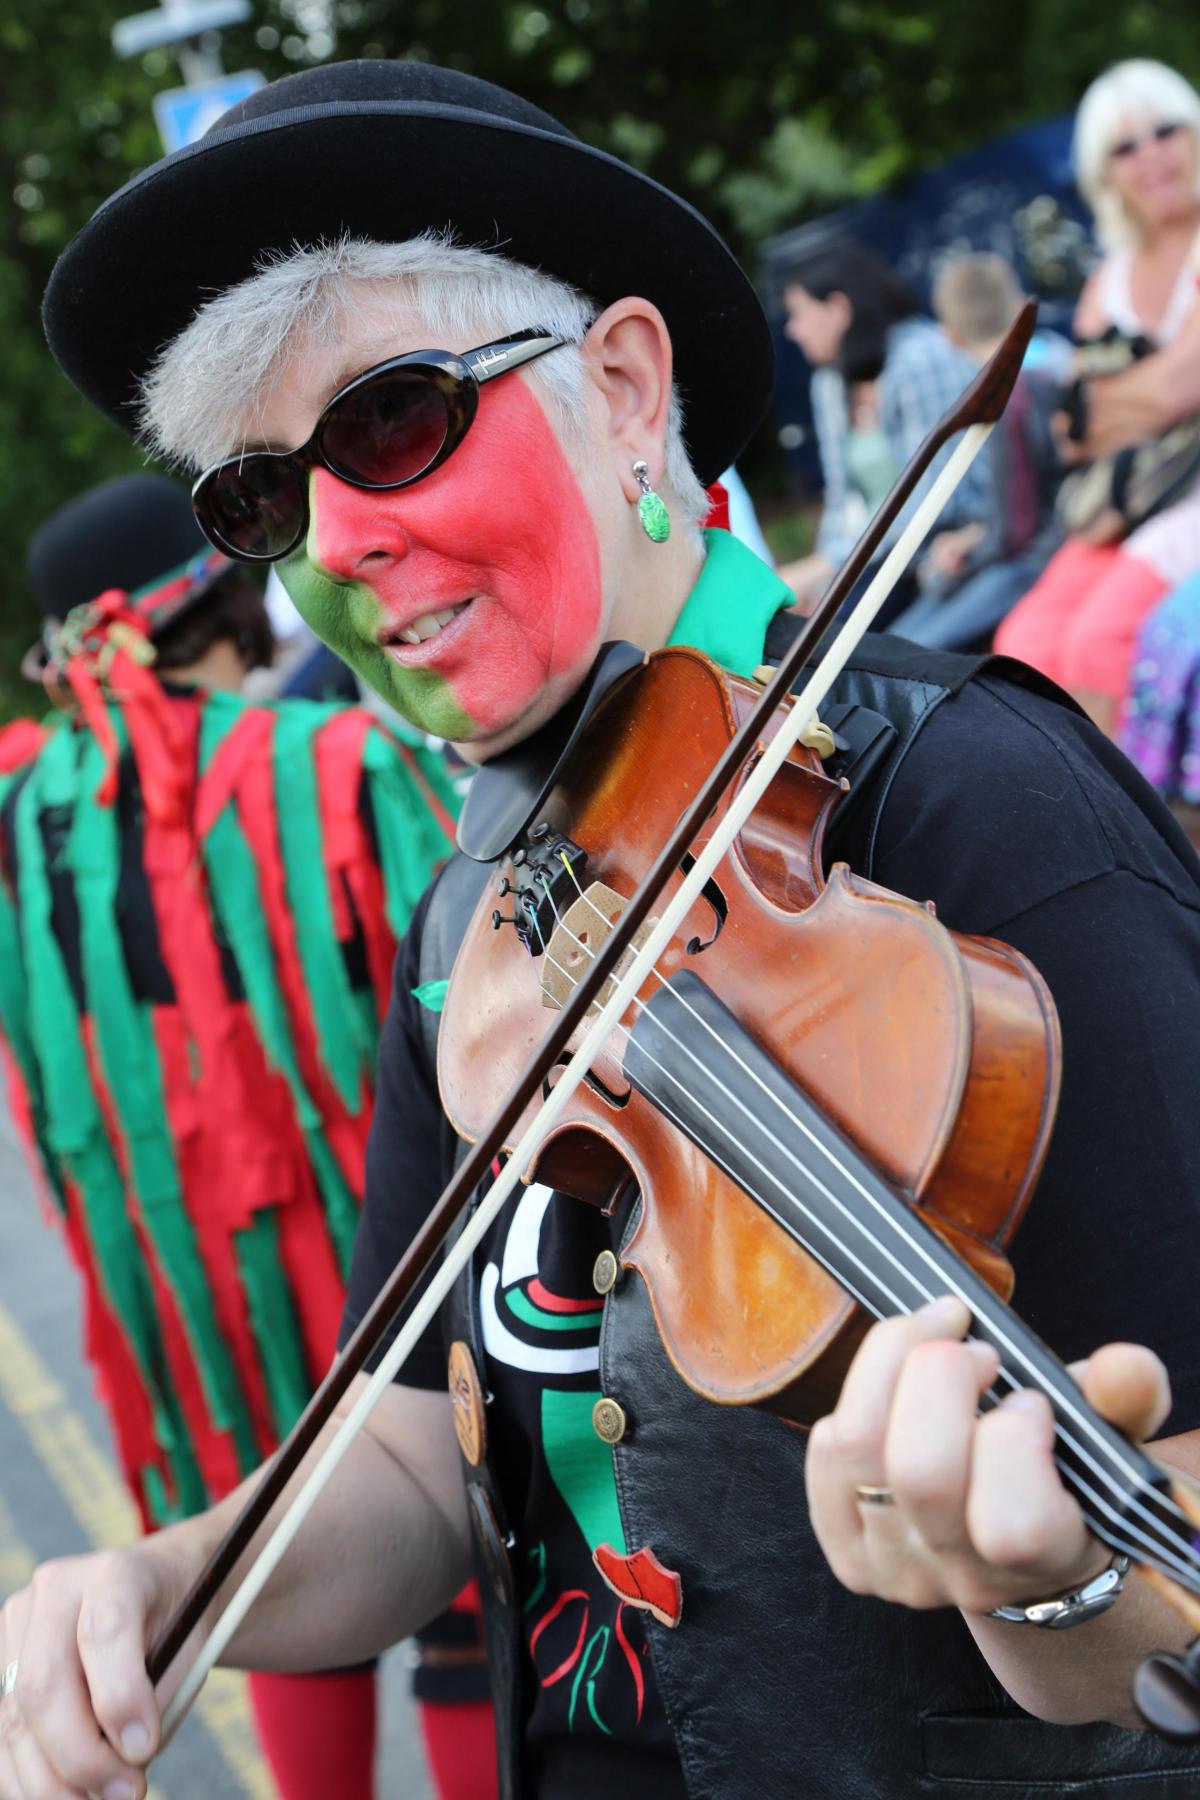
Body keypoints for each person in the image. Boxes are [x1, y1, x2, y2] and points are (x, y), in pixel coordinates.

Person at [7, 57, 1200, 1800]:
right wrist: (176, 1576)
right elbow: (422, 1455)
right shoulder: (483, 913)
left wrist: (1064, 1591)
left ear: (627, 390)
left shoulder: (970, 811)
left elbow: (1154, 1580)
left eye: (394, 419)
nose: (337, 548)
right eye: (265, 498)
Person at [0, 473, 471, 1800]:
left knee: (255, 1574)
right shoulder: (342, 762)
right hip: (379, 1271)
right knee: (462, 1599)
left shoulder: (18, 823)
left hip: (181, 1301)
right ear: (222, 598)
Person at [995, 60, 1200, 732]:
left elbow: (1177, 387)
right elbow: (1072, 430)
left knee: (1101, 638)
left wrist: (1122, 397)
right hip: (1126, 500)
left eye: (1165, 131)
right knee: (1022, 646)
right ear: (1102, 171)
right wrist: (1154, 391)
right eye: (1125, 145)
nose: (1151, 156)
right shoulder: (1108, 279)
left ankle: (1141, 833)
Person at [777, 237, 989, 618]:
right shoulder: (830, 383)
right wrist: (824, 582)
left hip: (944, 544)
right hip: (878, 557)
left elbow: (932, 500)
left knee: (838, 641)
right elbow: (841, 499)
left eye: (799, 313)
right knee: (805, 627)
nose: (793, 330)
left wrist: (827, 566)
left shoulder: (920, 361)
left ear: (838, 309)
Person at [888, 253, 1063, 651]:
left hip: (1033, 561)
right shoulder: (1059, 361)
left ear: (949, 335)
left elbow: (1016, 534)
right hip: (1045, 539)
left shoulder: (1010, 396)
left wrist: (963, 558)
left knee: (905, 651)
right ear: (1021, 305)